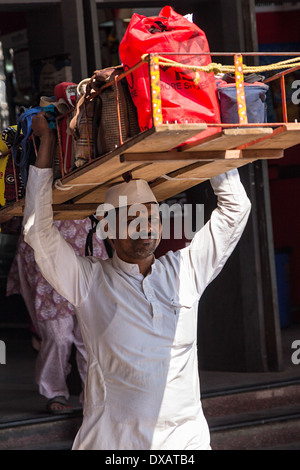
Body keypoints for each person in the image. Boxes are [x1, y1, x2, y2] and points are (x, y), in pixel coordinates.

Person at [23, 111, 251, 449]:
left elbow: (236, 210)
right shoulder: (89, 282)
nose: (144, 227)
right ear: (109, 232)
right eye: (131, 219)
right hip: (114, 443)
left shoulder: (184, 270)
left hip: (184, 440)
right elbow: (38, 233)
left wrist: (208, 135)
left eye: (150, 217)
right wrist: (46, 149)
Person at [6, 217, 107, 414]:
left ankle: (94, 396)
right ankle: (54, 391)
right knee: (57, 335)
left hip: (85, 243)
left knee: (90, 336)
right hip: (44, 248)